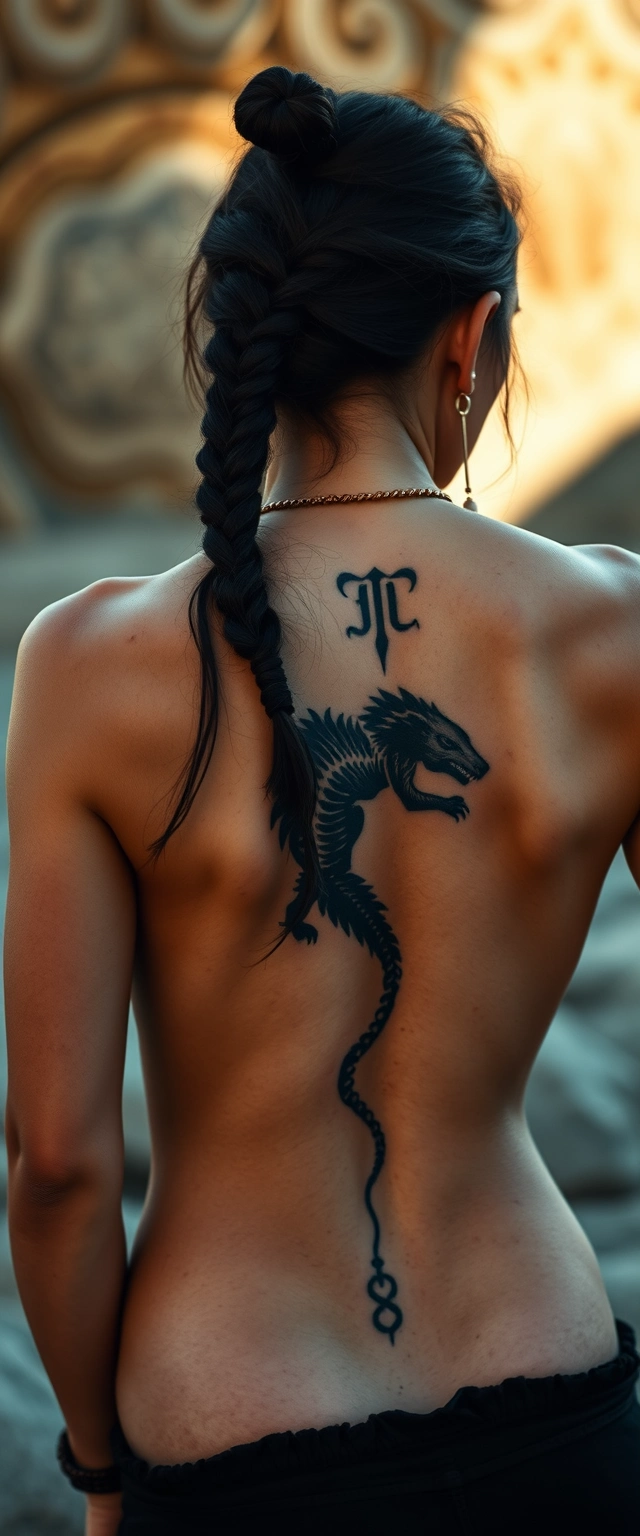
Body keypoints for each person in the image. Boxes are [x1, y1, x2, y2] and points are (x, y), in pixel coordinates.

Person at [4, 65, 640, 1536]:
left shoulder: (87, 671)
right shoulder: (614, 633)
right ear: (471, 334)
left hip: (235, 1433)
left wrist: (98, 1477)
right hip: (559, 1404)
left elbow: (58, 1164)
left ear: (237, 335)